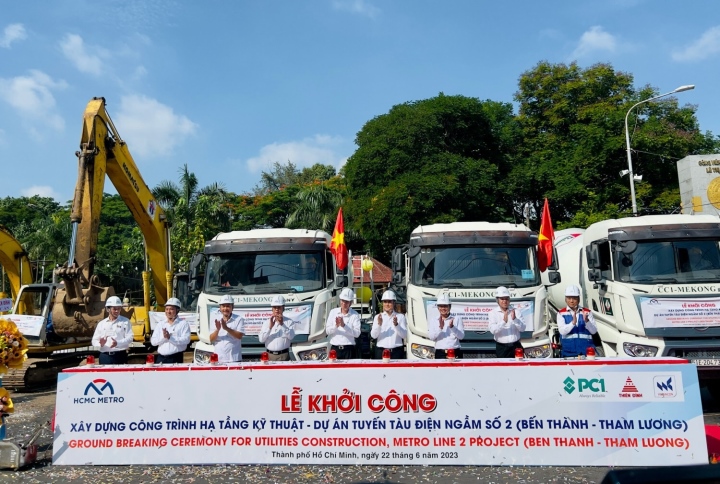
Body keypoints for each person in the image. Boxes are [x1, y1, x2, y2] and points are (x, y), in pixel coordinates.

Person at [557, 285, 597, 357]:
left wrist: (587, 321)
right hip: (568, 353)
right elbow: (562, 331)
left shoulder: (587, 312)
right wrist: (573, 323)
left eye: (574, 298)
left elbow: (594, 331)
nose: (571, 301)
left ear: (579, 299)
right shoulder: (561, 313)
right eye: (569, 298)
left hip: (586, 353)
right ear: (565, 299)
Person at [92, 296, 133, 364]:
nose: (117, 311)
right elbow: (94, 340)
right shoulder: (101, 324)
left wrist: (118, 343)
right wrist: (100, 344)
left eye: (119, 309)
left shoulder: (125, 322)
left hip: (120, 356)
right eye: (114, 309)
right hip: (105, 357)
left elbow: (130, 338)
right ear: (108, 309)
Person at [150, 297, 191, 364]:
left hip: (175, 358)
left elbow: (186, 340)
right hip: (161, 359)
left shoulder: (183, 324)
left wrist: (170, 338)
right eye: (167, 309)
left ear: (177, 310)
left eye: (171, 309)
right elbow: (153, 342)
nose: (168, 312)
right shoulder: (161, 324)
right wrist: (164, 337)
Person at [488, 286, 525, 358]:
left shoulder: (516, 311)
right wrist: (503, 322)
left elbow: (523, 328)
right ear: (497, 300)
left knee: (519, 367)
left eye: (506, 299)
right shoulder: (493, 313)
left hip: (516, 346)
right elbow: (493, 330)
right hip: (502, 348)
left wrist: (515, 319)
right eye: (502, 299)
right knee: (502, 368)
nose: (505, 301)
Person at [326, 288, 361, 360]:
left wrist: (344, 326)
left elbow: (357, 334)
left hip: (349, 349)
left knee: (349, 371)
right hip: (335, 349)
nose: (344, 304)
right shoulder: (333, 312)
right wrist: (336, 326)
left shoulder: (355, 315)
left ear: (350, 303)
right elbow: (328, 331)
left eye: (346, 302)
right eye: (342, 301)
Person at [371, 290, 407, 359]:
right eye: (385, 302)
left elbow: (404, 335)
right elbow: (373, 335)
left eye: (389, 302)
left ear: (394, 303)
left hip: (396, 352)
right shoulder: (378, 317)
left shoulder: (400, 317)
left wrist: (396, 325)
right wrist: (379, 324)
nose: (387, 304)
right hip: (381, 352)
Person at [209, 294, 245, 363]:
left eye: (228, 306)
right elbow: (211, 339)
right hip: (219, 358)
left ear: (232, 307)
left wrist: (226, 328)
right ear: (220, 307)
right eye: (223, 306)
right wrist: (217, 330)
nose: (225, 309)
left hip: (234, 358)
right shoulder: (215, 319)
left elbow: (239, 336)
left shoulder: (239, 319)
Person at [259, 295, 295, 361]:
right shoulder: (266, 323)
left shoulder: (289, 322)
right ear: (272, 309)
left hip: (284, 355)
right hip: (270, 356)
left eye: (279, 307)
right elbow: (261, 339)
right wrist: (270, 327)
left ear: (283, 308)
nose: (276, 309)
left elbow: (291, 337)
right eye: (274, 307)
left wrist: (282, 324)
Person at [429, 293, 465, 359]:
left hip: (455, 352)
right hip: (440, 353)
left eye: (445, 306)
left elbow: (461, 336)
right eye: (441, 306)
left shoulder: (457, 318)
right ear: (438, 307)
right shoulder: (434, 320)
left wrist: (452, 327)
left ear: (450, 307)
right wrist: (440, 328)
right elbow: (431, 337)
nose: (443, 308)